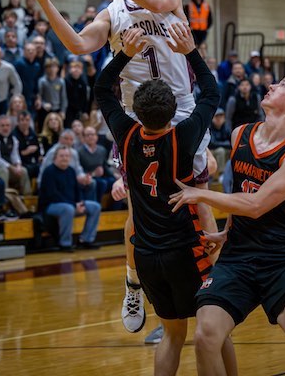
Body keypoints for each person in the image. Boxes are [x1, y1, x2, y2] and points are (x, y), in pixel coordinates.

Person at [24, 0, 218, 336]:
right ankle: (133, 281)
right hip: (134, 118)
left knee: (195, 198)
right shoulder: (112, 12)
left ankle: (209, 280)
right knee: (139, 210)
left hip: (180, 110)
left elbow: (160, 5)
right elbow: (78, 44)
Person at [168, 71, 285, 376]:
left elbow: (255, 205)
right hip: (238, 256)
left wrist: (198, 195)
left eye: (282, 85)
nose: (270, 86)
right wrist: (228, 232)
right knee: (205, 336)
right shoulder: (239, 134)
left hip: (282, 257)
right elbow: (240, 191)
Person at [95, 24, 233, 374]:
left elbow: (102, 89)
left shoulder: (124, 135)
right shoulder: (183, 138)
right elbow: (211, 94)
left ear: (135, 112)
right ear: (175, 112)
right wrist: (190, 50)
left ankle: (131, 288)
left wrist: (124, 54)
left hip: (147, 256)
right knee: (215, 331)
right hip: (184, 252)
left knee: (172, 336)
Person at [38, 145, 102, 250]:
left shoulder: (71, 170)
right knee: (68, 209)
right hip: (50, 206)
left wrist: (80, 202)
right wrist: (74, 205)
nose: (65, 158)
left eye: (67, 156)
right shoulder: (49, 172)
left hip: (71, 205)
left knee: (95, 207)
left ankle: (85, 240)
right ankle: (65, 243)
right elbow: (53, 195)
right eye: (62, 156)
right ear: (55, 158)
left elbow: (77, 191)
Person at [0, 115, 32, 195]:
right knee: (4, 171)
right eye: (2, 125)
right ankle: (5, 198)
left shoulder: (13, 139)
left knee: (23, 171)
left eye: (7, 125)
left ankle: (27, 198)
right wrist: (11, 168)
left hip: (8, 168)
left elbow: (15, 155)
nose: (5, 128)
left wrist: (18, 166)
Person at [0, 45, 23, 115]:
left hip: (3, 101)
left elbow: (17, 83)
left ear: (2, 55)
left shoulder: (8, 67)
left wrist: (14, 98)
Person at [37, 58, 67, 129]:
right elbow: (39, 97)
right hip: (45, 110)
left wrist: (63, 111)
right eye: (49, 67)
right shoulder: (42, 81)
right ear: (46, 69)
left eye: (54, 67)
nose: (52, 69)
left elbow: (63, 98)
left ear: (57, 68)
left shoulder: (61, 82)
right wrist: (43, 104)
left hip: (57, 109)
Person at [12, 110, 41, 180]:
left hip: (34, 162)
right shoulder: (14, 135)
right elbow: (13, 154)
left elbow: (38, 149)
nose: (25, 122)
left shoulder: (33, 134)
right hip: (21, 163)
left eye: (27, 120)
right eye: (22, 120)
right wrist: (26, 152)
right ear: (18, 122)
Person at [208, 108, 231, 181]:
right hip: (211, 150)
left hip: (223, 149)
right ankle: (221, 174)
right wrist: (225, 144)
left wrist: (224, 144)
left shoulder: (226, 127)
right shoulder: (209, 127)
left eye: (221, 116)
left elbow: (231, 142)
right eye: (216, 116)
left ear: (224, 118)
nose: (219, 119)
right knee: (221, 151)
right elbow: (212, 143)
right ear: (212, 118)